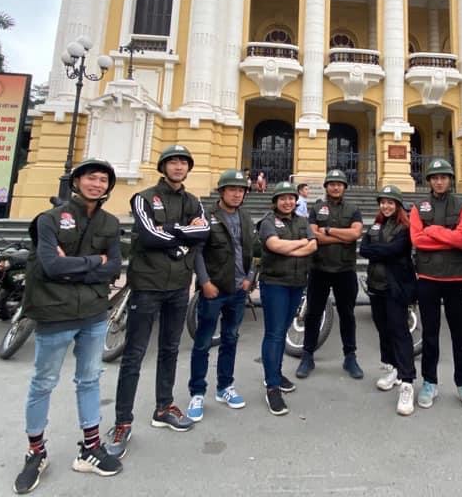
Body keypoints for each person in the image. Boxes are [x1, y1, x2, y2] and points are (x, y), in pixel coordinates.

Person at [13, 159, 123, 494]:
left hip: (93, 312)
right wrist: (94, 262)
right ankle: (35, 452)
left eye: (103, 180)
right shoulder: (48, 219)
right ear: (76, 181)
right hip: (55, 312)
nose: (97, 184)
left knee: (89, 379)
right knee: (43, 382)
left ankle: (90, 448)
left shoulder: (109, 222)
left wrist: (75, 267)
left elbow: (114, 266)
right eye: (91, 178)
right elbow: (50, 266)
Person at [107, 145, 210, 458]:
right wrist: (182, 235)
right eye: (172, 162)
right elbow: (149, 235)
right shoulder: (143, 198)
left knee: (170, 349)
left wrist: (171, 232)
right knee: (134, 355)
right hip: (147, 285)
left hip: (179, 285)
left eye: (183, 162)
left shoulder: (194, 201)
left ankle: (164, 407)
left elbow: (204, 232)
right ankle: (122, 422)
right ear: (163, 167)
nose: (178, 167)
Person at [186, 169, 258, 422]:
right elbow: (196, 252)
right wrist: (204, 282)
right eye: (232, 189)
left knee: (230, 339)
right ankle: (197, 392)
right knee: (203, 342)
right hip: (214, 290)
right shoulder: (207, 216)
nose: (237, 194)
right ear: (222, 192)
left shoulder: (246, 217)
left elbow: (254, 250)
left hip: (238, 290)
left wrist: (250, 278)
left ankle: (225, 386)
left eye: (241, 190)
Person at [410, 158, 462, 414]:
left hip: (456, 278)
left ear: (450, 180)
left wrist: (433, 230)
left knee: (460, 335)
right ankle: (429, 382)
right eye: (435, 178)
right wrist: (447, 237)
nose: (439, 182)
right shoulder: (418, 207)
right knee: (430, 333)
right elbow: (417, 240)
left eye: (444, 177)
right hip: (428, 277)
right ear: (429, 181)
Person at [296, 169, 365, 380]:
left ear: (344, 187)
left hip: (345, 270)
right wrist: (342, 236)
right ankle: (307, 356)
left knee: (347, 315)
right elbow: (313, 236)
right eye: (332, 184)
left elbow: (355, 233)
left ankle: (350, 357)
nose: (336, 187)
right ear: (326, 187)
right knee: (313, 314)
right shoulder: (317, 208)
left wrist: (328, 231)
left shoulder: (353, 209)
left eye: (339, 184)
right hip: (319, 268)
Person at [256, 181, 317, 415]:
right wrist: (300, 243)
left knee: (282, 331)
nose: (288, 202)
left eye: (291, 198)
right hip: (274, 283)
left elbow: (313, 246)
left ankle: (276, 373)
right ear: (275, 201)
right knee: (274, 333)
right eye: (283, 198)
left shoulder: (302, 221)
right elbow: (274, 245)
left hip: (297, 283)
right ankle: (272, 387)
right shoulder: (268, 222)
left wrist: (291, 247)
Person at [360, 184, 417, 416]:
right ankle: (392, 368)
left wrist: (378, 250)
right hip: (376, 285)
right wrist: (381, 250)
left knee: (399, 331)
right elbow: (363, 249)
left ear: (398, 205)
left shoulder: (405, 227)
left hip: (396, 287)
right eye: (383, 202)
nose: (386, 206)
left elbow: (396, 249)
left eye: (390, 202)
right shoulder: (376, 225)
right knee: (383, 329)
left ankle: (407, 381)